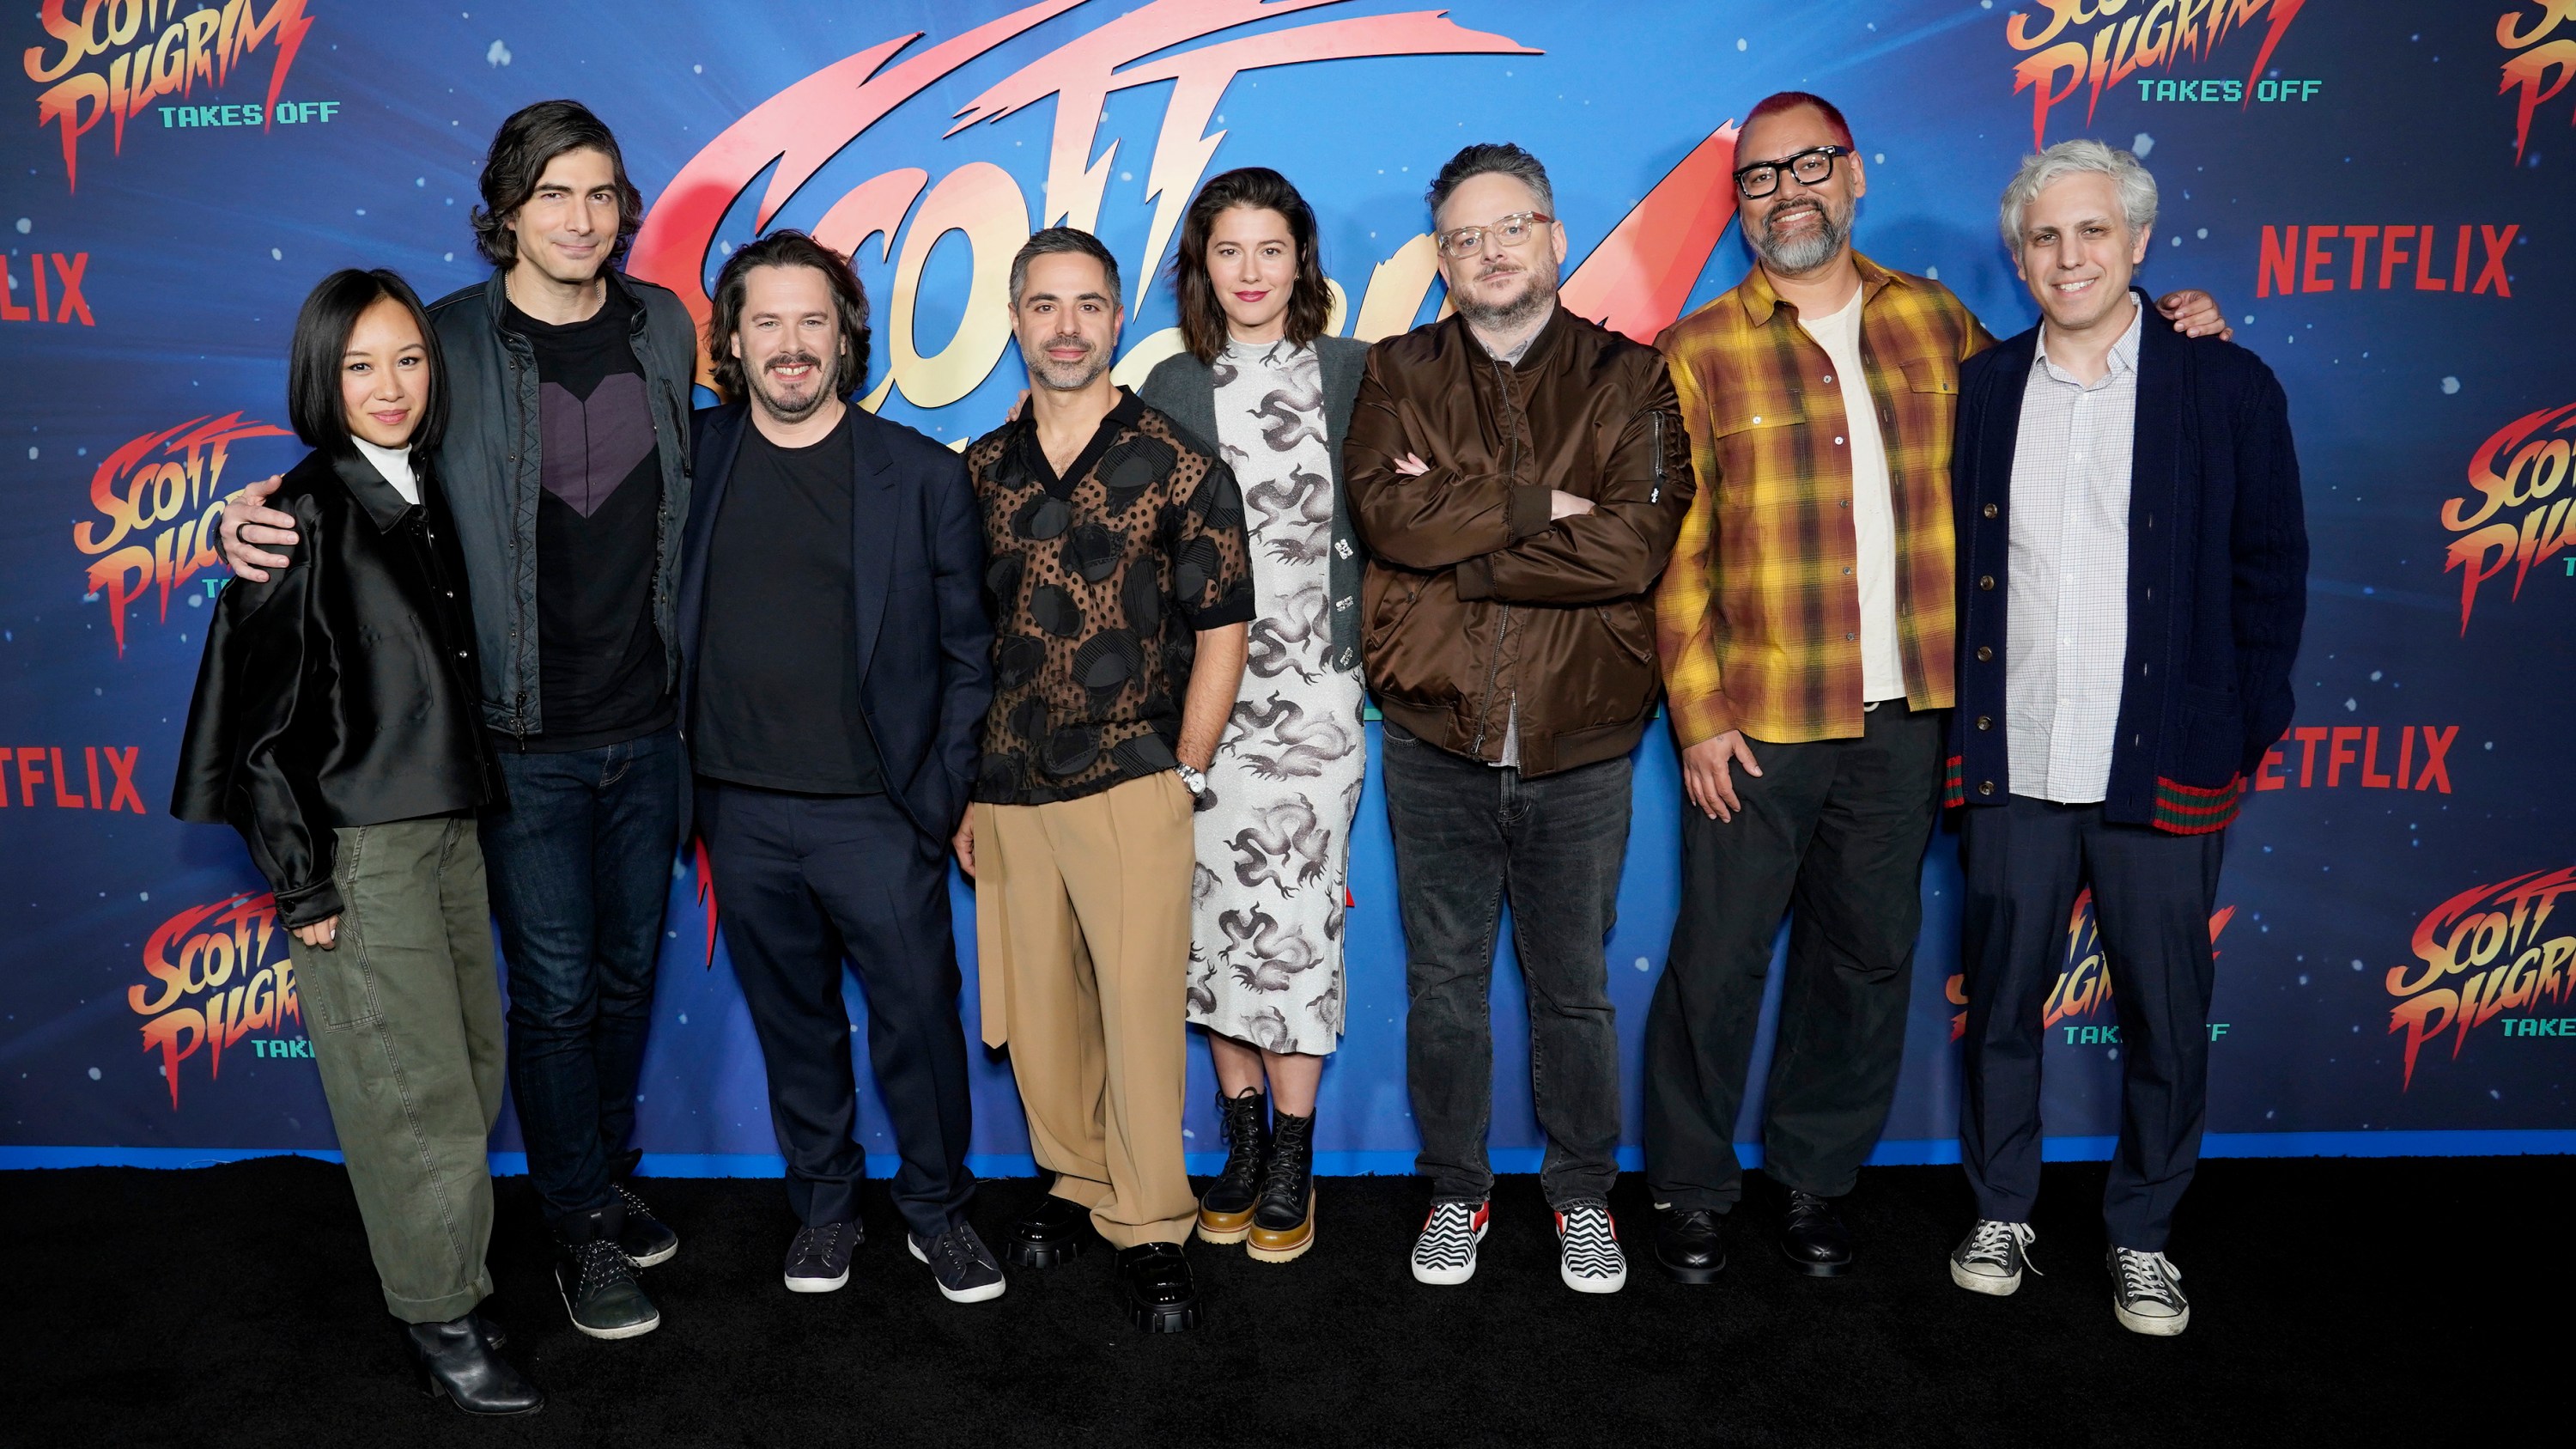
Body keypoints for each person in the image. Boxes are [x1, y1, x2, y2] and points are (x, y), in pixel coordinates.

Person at [1643, 91, 2233, 1287]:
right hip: (1757, 716)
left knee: (1863, 961)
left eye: (1809, 165)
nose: (1786, 191)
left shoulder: (1942, 324)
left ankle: (1814, 1179)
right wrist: (1697, 710)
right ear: (1739, 204)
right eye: (1759, 177)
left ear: (1853, 176)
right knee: (1717, 957)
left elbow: (2079, 391)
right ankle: (1692, 1190)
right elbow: (1675, 551)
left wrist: (2179, 332)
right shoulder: (1697, 348)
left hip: (1913, 716)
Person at [219, 100, 697, 1338]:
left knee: (628, 976)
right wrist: (249, 518)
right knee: (550, 992)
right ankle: (581, 1227)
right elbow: (352, 469)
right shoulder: (440, 340)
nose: (581, 219)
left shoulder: (666, 328)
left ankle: (596, 1173)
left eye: (601, 194)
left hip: (649, 727)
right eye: (553, 195)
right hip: (515, 738)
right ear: (506, 211)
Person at [1943, 140, 2306, 1336]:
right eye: (2046, 237)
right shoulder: (1985, 387)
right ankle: (2003, 1208)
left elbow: (2270, 571)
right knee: (1999, 1001)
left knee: (2163, 1007)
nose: (2070, 256)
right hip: (2017, 758)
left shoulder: (2229, 384)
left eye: (2094, 232)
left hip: (2166, 756)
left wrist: (2241, 727)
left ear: (2140, 243)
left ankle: (2143, 1231)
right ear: (2019, 254)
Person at [173, 270, 539, 1416]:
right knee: (408, 1091)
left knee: (472, 1064)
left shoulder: (429, 486)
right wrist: (301, 882)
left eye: (410, 360)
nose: (390, 386)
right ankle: (439, 1314)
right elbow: (251, 726)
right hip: (358, 852)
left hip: (448, 834)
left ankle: (455, 1274)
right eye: (361, 365)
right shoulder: (299, 514)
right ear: (321, 380)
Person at [1344, 143, 1693, 1295]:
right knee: (1443, 985)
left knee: (1572, 987)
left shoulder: (1630, 376)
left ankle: (1582, 1196)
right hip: (1436, 736)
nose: (1489, 251)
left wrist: (1475, 555)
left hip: (1579, 742)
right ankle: (1457, 1188)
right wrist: (1544, 505)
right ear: (1440, 259)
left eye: (1512, 227)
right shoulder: (1396, 373)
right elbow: (1395, 521)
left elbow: (1634, 543)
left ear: (1551, 235)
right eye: (1463, 236)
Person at [678, 231, 1000, 1302]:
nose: (790, 344)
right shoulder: (690, 456)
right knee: (794, 1023)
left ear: (846, 334)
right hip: (740, 805)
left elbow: (969, 654)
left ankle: (938, 1210)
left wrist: (939, 795)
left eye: (812, 320)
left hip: (877, 812)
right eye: (764, 322)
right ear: (731, 339)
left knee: (918, 1017)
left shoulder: (919, 476)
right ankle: (824, 1207)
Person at [953, 227, 1253, 1332]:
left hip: (1135, 772)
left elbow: (1224, 626)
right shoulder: (979, 469)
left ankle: (1155, 1221)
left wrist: (1188, 769)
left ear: (1118, 318)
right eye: (1044, 305)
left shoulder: (1180, 461)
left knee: (1134, 1011)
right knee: (1040, 1013)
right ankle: (1078, 1182)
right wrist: (967, 789)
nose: (1066, 326)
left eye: (1088, 305)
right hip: (1008, 784)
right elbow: (963, 638)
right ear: (1017, 320)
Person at [1138, 167, 1370, 1264]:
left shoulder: (1356, 375)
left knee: (1294, 919)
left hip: (1315, 696)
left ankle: (1294, 1150)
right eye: (1227, 251)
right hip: (1204, 702)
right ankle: (1237, 1143)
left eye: (1269, 250)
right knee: (1210, 922)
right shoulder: (1171, 386)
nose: (1249, 272)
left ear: (1300, 262)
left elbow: (1410, 511)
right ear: (1202, 266)